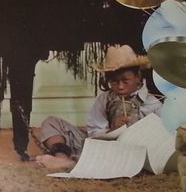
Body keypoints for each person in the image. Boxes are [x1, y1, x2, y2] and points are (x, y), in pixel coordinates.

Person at [34, 44, 162, 170]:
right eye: (114, 81)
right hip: (101, 145)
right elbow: (94, 133)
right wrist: (112, 129)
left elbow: (161, 139)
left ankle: (76, 164)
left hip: (130, 152)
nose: (120, 86)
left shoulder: (152, 103)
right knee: (51, 123)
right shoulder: (105, 99)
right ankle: (62, 158)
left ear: (138, 77)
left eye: (125, 80)